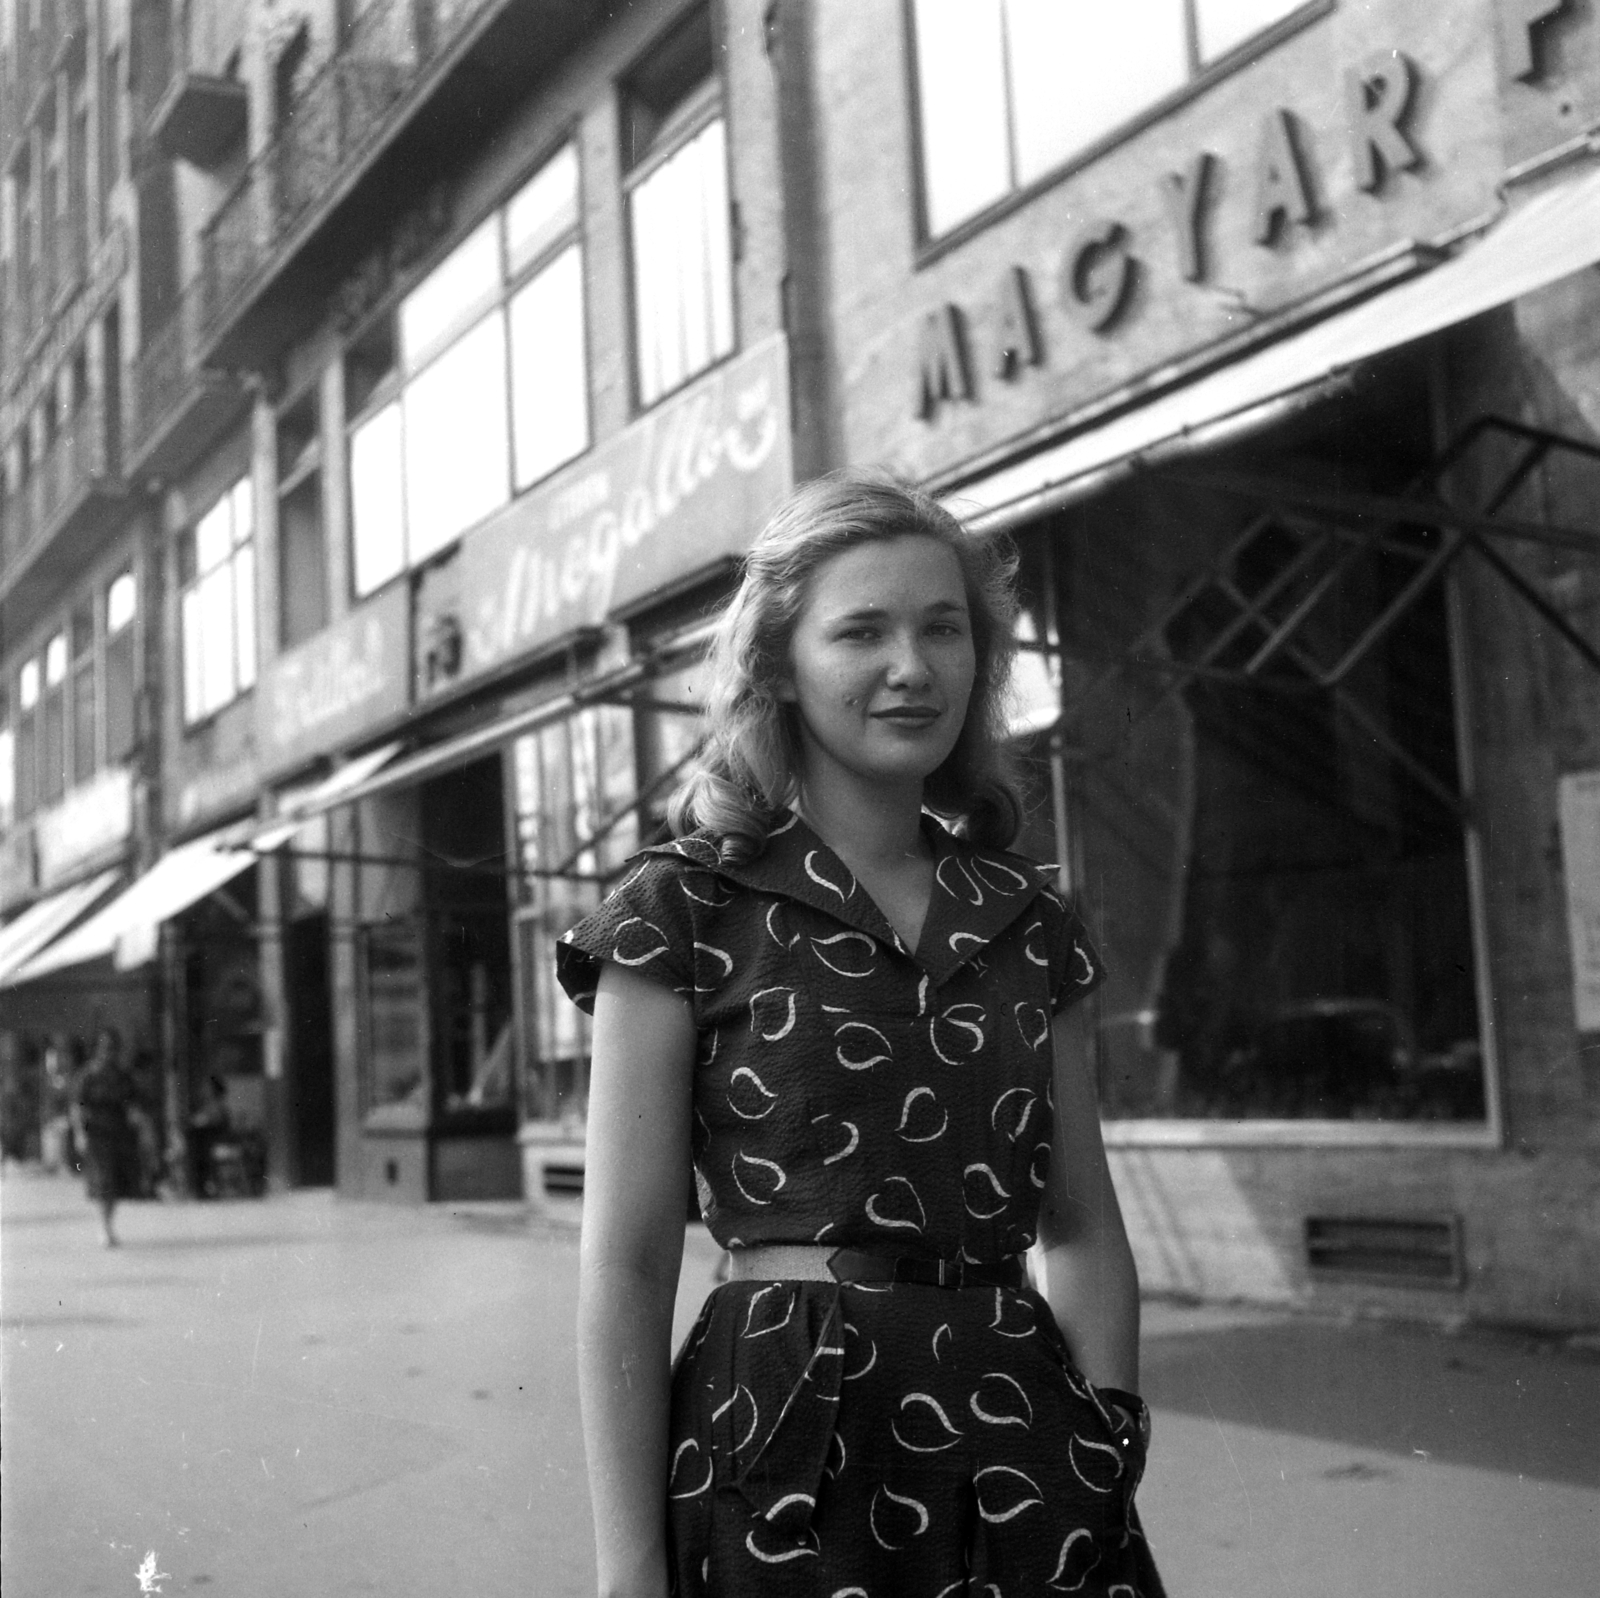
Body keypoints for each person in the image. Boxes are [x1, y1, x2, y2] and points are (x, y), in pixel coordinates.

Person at [559, 470, 1165, 1597]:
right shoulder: (683, 910)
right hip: (782, 1444)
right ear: (779, 665)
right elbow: (630, 1260)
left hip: (1023, 1447)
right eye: (861, 631)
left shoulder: (1028, 920)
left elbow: (1080, 1228)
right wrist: (627, 1565)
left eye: (944, 629)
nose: (912, 666)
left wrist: (1105, 1444)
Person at [68, 1028, 137, 1247]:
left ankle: (109, 1223)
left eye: (113, 1048)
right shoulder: (88, 1075)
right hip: (96, 1134)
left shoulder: (122, 1075)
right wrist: (80, 1133)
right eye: (105, 1047)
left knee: (115, 1182)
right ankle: (104, 1227)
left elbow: (132, 1102)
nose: (109, 1052)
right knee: (103, 1180)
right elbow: (76, 1106)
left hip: (119, 1133)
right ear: (98, 1049)